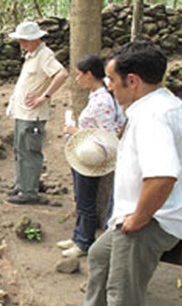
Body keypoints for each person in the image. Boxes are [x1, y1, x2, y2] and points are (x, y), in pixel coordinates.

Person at [60, 41, 182, 306]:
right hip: (146, 214)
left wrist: (139, 218)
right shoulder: (170, 106)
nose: (109, 87)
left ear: (132, 80)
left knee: (124, 293)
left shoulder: (152, 117)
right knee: (98, 255)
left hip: (146, 221)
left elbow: (163, 175)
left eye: (111, 79)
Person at [58, 55, 124, 258]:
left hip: (92, 155)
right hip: (83, 151)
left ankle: (84, 242)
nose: (77, 79)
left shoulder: (103, 100)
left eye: (79, 75)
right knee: (81, 196)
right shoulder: (98, 95)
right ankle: (78, 235)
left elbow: (107, 135)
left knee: (86, 198)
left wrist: (74, 130)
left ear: (89, 75)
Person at [6, 21, 69, 205]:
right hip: (22, 112)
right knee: (20, 149)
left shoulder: (44, 55)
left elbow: (62, 74)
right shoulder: (31, 55)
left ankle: (29, 191)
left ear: (35, 39)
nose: (22, 43)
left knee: (30, 152)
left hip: (33, 114)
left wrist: (45, 96)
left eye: (25, 40)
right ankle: (21, 185)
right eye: (21, 40)